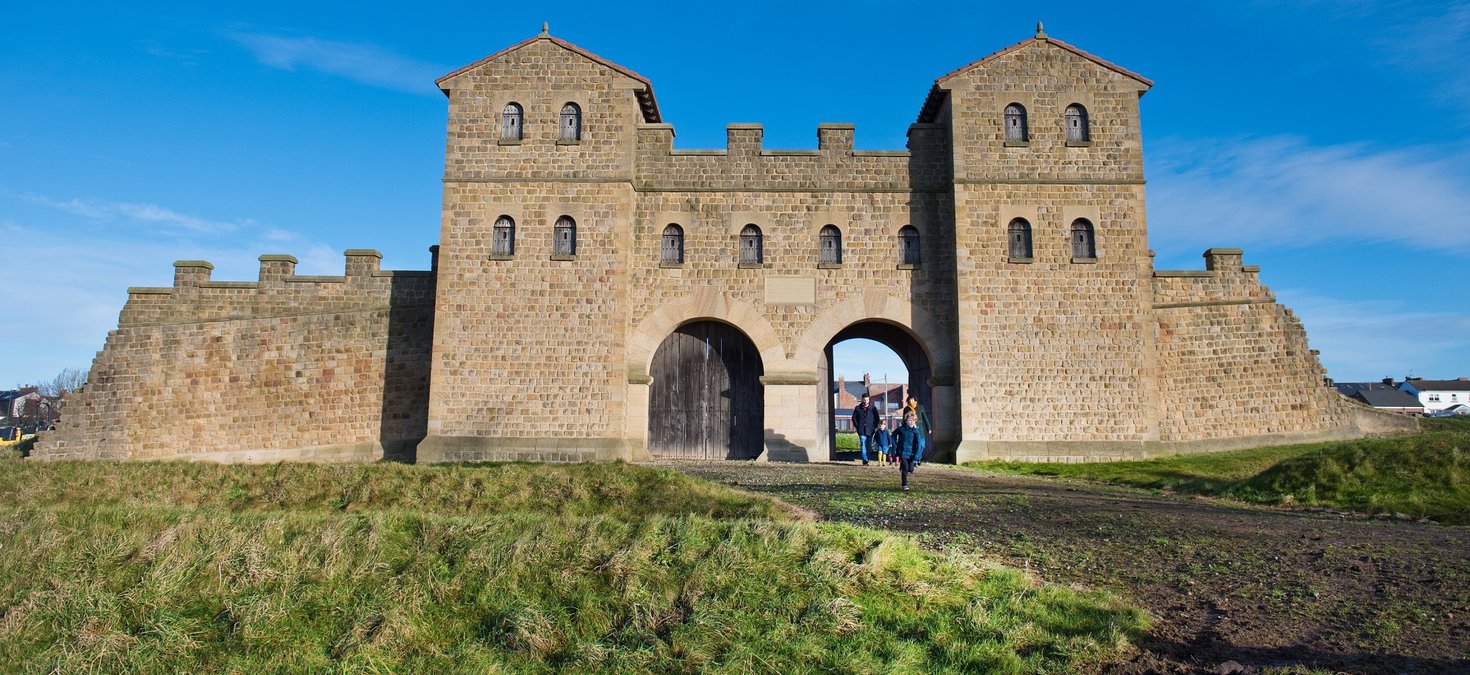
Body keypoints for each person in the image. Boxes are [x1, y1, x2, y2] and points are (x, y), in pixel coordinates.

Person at [893, 412, 923, 491]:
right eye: (909, 420)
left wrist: (917, 455)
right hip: (902, 452)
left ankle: (905, 466)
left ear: (915, 422)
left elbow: (919, 443)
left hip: (912, 453)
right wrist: (895, 445)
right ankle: (904, 485)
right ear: (906, 421)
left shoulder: (915, 431)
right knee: (905, 469)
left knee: (911, 469)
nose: (911, 422)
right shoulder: (901, 429)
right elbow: (893, 435)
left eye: (913, 421)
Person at [902, 394, 932, 467]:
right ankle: (915, 459)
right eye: (910, 400)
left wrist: (929, 428)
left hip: (920, 429)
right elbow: (904, 420)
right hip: (911, 429)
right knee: (914, 445)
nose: (911, 401)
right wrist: (904, 429)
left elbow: (925, 418)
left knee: (921, 445)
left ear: (915, 400)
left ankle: (918, 458)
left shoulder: (920, 407)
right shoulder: (906, 409)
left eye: (912, 400)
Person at [850, 393, 880, 466]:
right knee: (863, 444)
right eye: (864, 400)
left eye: (867, 400)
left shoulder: (873, 408)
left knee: (869, 446)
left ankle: (867, 458)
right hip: (861, 430)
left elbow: (877, 418)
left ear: (869, 400)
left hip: (870, 430)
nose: (866, 401)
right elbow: (854, 418)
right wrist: (857, 426)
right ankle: (865, 460)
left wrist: (874, 426)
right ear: (862, 400)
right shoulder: (858, 408)